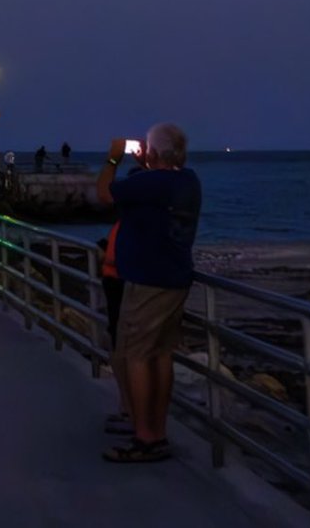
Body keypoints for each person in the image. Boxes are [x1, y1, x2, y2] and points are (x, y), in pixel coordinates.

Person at [97, 124, 202, 463]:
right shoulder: (188, 181)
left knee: (136, 355)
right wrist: (150, 163)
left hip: (145, 282)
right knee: (162, 354)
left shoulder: (145, 183)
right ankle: (157, 431)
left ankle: (144, 438)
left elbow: (105, 193)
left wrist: (114, 158)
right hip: (176, 280)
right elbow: (156, 190)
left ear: (153, 152)